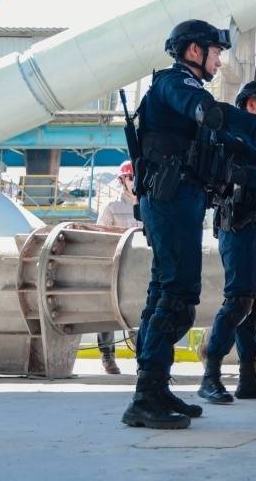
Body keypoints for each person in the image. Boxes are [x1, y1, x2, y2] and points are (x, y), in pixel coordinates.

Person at [122, 20, 256, 430]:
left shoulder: (186, 94)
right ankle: (146, 395)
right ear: (194, 51)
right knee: (177, 294)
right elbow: (213, 115)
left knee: (166, 290)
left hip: (180, 199)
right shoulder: (175, 85)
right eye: (216, 53)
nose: (220, 61)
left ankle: (154, 387)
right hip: (171, 198)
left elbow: (231, 146)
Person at [198, 80, 256, 404]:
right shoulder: (234, 139)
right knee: (239, 302)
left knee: (253, 307)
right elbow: (243, 177)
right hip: (240, 228)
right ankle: (210, 376)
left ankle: (248, 377)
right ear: (251, 105)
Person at [95, 160, 143, 374]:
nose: (134, 181)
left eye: (136, 177)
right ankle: (108, 357)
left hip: (140, 270)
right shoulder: (112, 207)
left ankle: (144, 357)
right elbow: (99, 237)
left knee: (142, 315)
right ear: (122, 181)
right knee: (108, 313)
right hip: (115, 269)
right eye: (130, 177)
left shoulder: (148, 206)